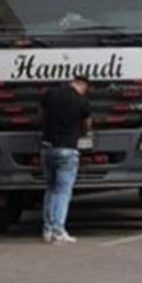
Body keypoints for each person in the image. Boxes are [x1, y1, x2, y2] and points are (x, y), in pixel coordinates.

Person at [39, 75, 92, 244]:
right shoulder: (81, 101)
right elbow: (87, 124)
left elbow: (42, 112)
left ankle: (47, 229)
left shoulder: (51, 94)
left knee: (50, 189)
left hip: (47, 149)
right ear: (83, 85)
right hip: (67, 149)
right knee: (62, 191)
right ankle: (58, 230)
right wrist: (81, 133)